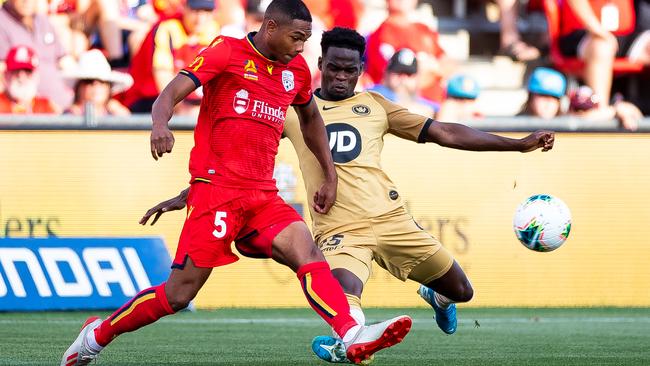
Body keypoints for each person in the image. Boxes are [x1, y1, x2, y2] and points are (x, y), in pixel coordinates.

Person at [140, 27, 556, 364]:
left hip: (393, 221)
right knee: (342, 295)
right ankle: (346, 344)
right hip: (340, 231)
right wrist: (193, 192)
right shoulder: (289, 109)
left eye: (350, 70)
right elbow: (241, 158)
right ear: (319, 65)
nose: (341, 76)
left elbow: (445, 132)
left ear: (360, 70)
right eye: (334, 68)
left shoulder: (377, 105)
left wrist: (517, 144)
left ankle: (435, 294)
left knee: (462, 292)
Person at [60, 3, 411, 366]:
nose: (301, 47)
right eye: (296, 37)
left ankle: (351, 333)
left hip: (262, 194)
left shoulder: (298, 71)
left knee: (306, 251)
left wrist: (330, 172)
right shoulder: (225, 52)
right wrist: (160, 125)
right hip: (217, 193)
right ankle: (95, 336)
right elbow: (170, 92)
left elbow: (311, 121)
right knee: (179, 294)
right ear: (270, 27)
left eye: (306, 39)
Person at [117, 0, 220, 113]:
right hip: (149, 97)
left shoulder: (214, 30)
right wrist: (184, 111)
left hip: (191, 101)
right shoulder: (167, 28)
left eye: (207, 11)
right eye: (195, 11)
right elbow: (164, 83)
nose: (200, 18)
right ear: (184, 8)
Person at [558, 0, 650, 107]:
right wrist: (599, 31)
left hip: (625, 35)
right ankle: (600, 111)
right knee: (601, 47)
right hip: (584, 33)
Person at [365, 0, 454, 105]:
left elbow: (449, 66)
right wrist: (431, 69)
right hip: (399, 105)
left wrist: (432, 69)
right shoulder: (378, 35)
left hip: (435, 104)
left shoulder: (424, 30)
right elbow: (396, 79)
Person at [0, 0, 75, 108]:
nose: (26, 1)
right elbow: (2, 72)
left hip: (65, 109)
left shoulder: (42, 20)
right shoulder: (2, 22)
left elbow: (65, 61)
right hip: (30, 113)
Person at [520, 67, 642, 130]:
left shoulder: (566, 119)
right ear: (531, 97)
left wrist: (619, 110)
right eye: (542, 95)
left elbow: (589, 117)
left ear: (559, 101)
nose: (548, 102)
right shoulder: (516, 124)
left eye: (553, 97)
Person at [367, 48, 438, 117]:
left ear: (417, 78)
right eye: (398, 72)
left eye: (408, 74)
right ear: (386, 73)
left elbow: (435, 109)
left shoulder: (423, 103)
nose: (403, 78)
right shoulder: (371, 94)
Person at [63, 49, 133, 116]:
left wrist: (119, 112)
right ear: (78, 87)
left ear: (109, 87)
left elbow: (131, 124)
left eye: (102, 81)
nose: (96, 85)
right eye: (89, 81)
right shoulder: (69, 115)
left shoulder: (115, 112)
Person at [0, 45, 58, 114]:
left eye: (28, 71)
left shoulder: (46, 106)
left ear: (36, 76)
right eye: (16, 71)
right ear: (6, 75)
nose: (21, 77)